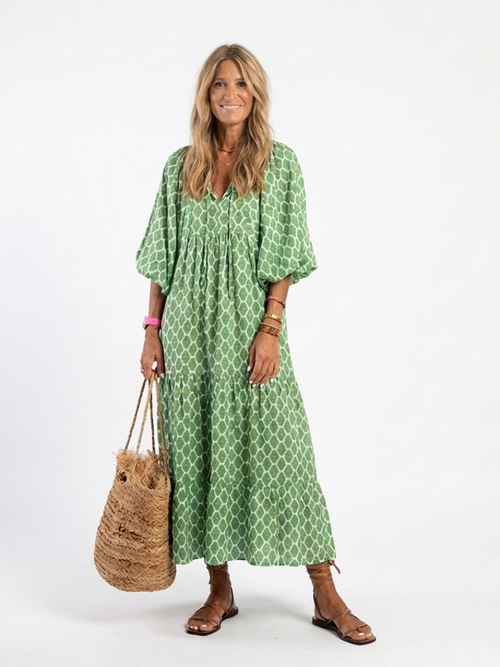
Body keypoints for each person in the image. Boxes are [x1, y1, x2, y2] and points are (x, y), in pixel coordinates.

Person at [137, 44, 375, 644]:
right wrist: (151, 331)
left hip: (249, 334)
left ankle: (324, 593)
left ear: (255, 94)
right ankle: (219, 589)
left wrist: (270, 329)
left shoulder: (278, 163)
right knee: (199, 454)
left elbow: (285, 255)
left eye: (241, 84)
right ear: (206, 93)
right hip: (188, 338)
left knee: (285, 451)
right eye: (219, 83)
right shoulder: (180, 166)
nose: (230, 94)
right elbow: (161, 257)